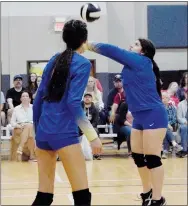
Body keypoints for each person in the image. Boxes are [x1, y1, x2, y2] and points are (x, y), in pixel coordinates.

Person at [85, 39, 168, 206]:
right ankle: (147, 193)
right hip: (139, 117)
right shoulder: (132, 64)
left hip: (153, 115)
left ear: (143, 51)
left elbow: (113, 50)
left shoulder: (142, 61)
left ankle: (159, 200)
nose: (132, 45)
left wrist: (87, 44)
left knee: (152, 158)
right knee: (138, 157)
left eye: (136, 44)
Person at [32, 20, 102, 206]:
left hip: (44, 132)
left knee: (44, 196)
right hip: (64, 132)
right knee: (82, 196)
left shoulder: (55, 58)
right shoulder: (83, 63)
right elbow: (72, 102)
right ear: (84, 40)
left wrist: (37, 132)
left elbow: (38, 98)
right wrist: (92, 135)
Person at [177, 89, 188, 158]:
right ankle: (184, 150)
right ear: (185, 94)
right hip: (184, 123)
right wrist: (186, 122)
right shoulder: (180, 104)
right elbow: (179, 117)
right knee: (184, 127)